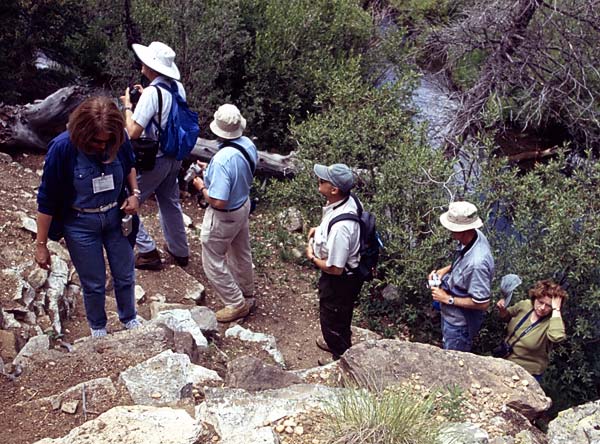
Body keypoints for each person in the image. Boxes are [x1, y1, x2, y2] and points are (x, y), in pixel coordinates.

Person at [35, 97, 140, 337]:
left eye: (107, 143)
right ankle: (98, 328)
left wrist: (134, 194)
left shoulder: (118, 138)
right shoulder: (62, 148)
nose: (102, 148)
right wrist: (41, 244)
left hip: (116, 216)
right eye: (96, 142)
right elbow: (47, 199)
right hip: (80, 223)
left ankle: (129, 318)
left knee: (125, 274)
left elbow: (130, 165)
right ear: (82, 133)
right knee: (93, 281)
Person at [120, 41, 189, 270]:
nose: (142, 65)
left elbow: (132, 132)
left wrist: (129, 107)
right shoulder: (178, 88)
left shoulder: (152, 93)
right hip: (175, 157)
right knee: (170, 202)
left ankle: (147, 250)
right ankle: (180, 251)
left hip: (154, 160)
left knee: (128, 200)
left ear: (152, 66)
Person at [191, 104, 258, 323]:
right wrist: (210, 168)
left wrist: (201, 186)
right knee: (241, 251)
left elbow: (219, 200)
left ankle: (235, 303)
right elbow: (233, 169)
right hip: (243, 205)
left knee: (212, 256)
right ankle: (248, 293)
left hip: (225, 215)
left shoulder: (222, 160)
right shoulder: (247, 145)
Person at [306, 163, 362, 362]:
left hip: (339, 282)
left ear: (334, 189)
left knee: (331, 319)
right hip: (349, 277)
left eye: (323, 180)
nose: (319, 180)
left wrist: (312, 256)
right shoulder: (348, 201)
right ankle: (338, 343)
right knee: (341, 317)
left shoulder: (342, 228)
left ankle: (341, 359)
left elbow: (335, 268)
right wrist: (319, 229)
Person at [428, 201, 495, 352]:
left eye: (452, 227)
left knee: (454, 356)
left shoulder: (478, 263)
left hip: (459, 325)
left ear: (464, 229)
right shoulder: (474, 237)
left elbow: (482, 302)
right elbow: (463, 264)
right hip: (450, 314)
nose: (448, 230)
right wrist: (443, 271)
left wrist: (447, 299)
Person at [496, 279, 566, 380]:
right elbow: (507, 317)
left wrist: (556, 310)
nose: (542, 308)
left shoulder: (552, 321)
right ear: (535, 298)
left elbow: (557, 337)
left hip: (527, 373)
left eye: (548, 306)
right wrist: (502, 310)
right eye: (540, 302)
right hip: (504, 361)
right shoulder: (525, 305)